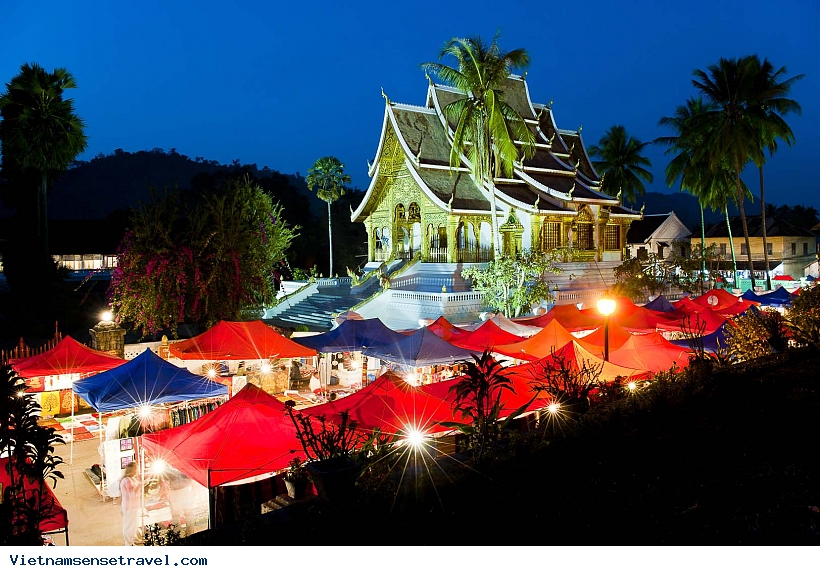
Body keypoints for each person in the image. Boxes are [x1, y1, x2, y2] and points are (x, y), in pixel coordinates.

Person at [120, 461, 141, 545]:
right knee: (129, 524)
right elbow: (132, 493)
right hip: (129, 506)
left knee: (134, 523)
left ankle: (133, 537)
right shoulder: (126, 480)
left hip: (134, 505)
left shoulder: (132, 479)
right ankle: (128, 542)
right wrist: (140, 485)